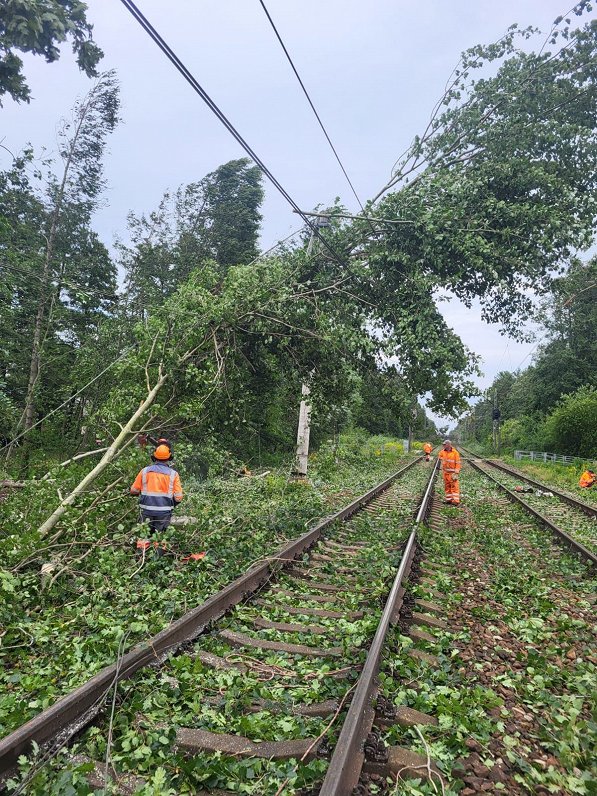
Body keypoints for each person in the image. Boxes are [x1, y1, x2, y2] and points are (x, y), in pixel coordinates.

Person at [130, 444, 183, 552]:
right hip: (163, 514)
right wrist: (170, 504)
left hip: (146, 511)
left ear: (154, 457)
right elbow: (178, 498)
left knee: (143, 537)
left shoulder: (144, 471)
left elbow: (133, 491)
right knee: (160, 539)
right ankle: (157, 561)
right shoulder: (173, 474)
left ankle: (141, 559)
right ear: (169, 458)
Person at [438, 439, 461, 505]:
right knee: (447, 486)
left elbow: (458, 463)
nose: (443, 446)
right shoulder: (443, 452)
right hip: (445, 473)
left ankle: (456, 501)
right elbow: (439, 456)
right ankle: (449, 500)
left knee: (454, 487)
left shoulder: (455, 453)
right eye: (443, 445)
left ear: (448, 445)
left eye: (444, 444)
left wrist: (456, 472)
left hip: (453, 473)